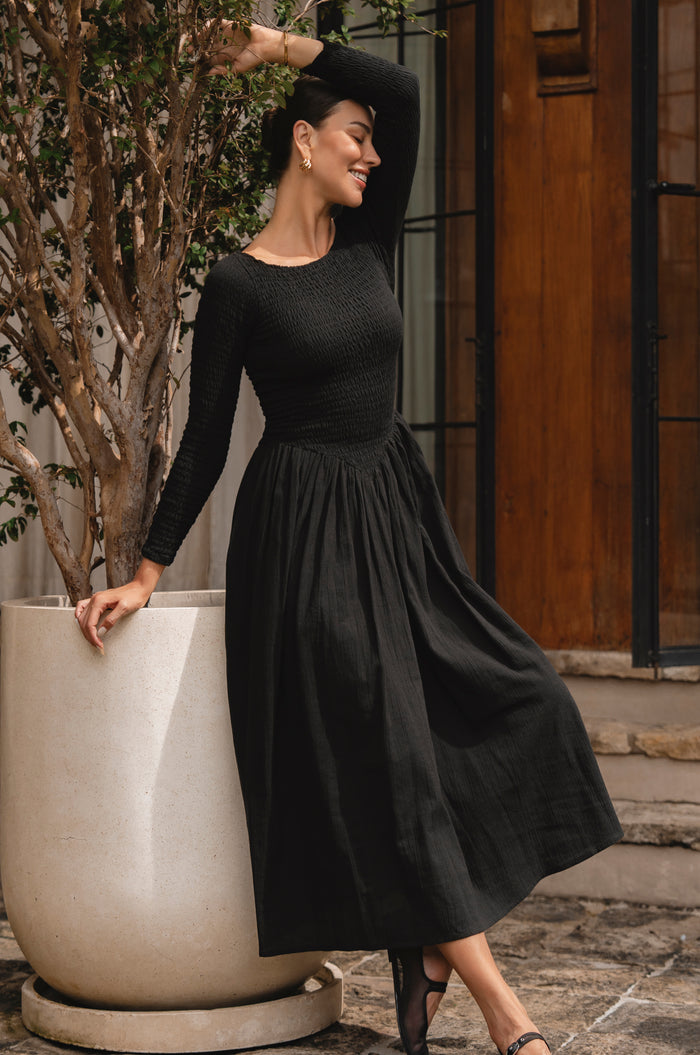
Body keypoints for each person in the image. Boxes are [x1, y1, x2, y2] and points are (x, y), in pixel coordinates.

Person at [76, 23, 622, 1055]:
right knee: (395, 761)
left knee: (525, 695)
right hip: (303, 536)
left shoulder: (369, 242)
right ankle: (510, 1016)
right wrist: (147, 571)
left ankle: (421, 960)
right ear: (303, 143)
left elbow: (403, 89)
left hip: (398, 519)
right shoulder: (238, 286)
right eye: (352, 137)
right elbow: (201, 439)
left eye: (372, 142)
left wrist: (276, 45)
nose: (372, 152)